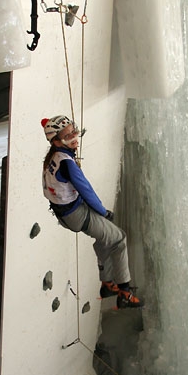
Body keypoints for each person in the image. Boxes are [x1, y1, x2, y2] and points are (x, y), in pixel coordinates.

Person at [41, 114, 142, 309]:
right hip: (76, 213)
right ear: (55, 141)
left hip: (67, 213)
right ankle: (125, 293)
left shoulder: (53, 157)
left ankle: (107, 285)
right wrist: (103, 212)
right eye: (67, 135)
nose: (74, 137)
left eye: (73, 131)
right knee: (119, 238)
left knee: (106, 236)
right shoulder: (67, 162)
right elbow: (86, 189)